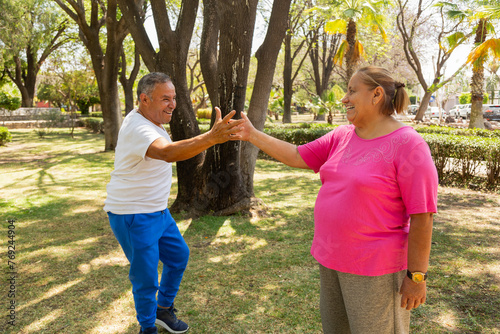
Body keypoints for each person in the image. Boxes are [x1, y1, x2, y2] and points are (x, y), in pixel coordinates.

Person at [238, 66, 438, 333]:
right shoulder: (342, 136)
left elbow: (423, 216)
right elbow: (297, 155)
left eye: (352, 91)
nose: (344, 98)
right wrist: (251, 134)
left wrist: (417, 276)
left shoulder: (409, 145)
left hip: (375, 270)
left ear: (376, 95)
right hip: (331, 261)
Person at [104, 72, 243, 334]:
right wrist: (211, 138)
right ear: (144, 99)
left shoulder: (151, 120)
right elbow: (167, 154)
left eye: (174, 98)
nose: (173, 104)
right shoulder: (138, 127)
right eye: (165, 98)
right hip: (133, 213)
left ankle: (163, 310)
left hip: (157, 211)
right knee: (145, 278)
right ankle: (147, 329)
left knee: (178, 256)